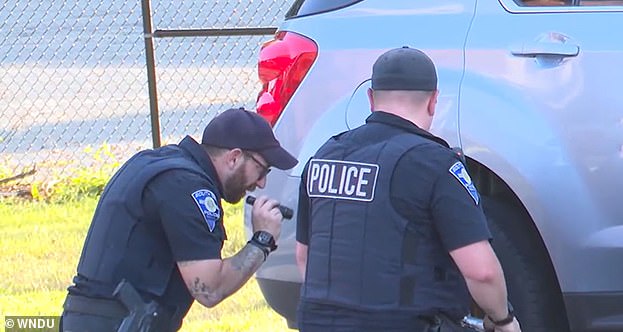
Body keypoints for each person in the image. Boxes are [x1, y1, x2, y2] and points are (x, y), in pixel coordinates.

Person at [295, 47, 522, 332]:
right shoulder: (436, 164)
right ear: (433, 101)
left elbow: (305, 258)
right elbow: (482, 271)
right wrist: (503, 320)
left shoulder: (325, 155)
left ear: (370, 99)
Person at [61, 108, 298, 331]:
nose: (262, 183)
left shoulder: (158, 164)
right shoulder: (189, 188)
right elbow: (210, 289)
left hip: (94, 319)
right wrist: (262, 240)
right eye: (263, 170)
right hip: (117, 323)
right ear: (234, 157)